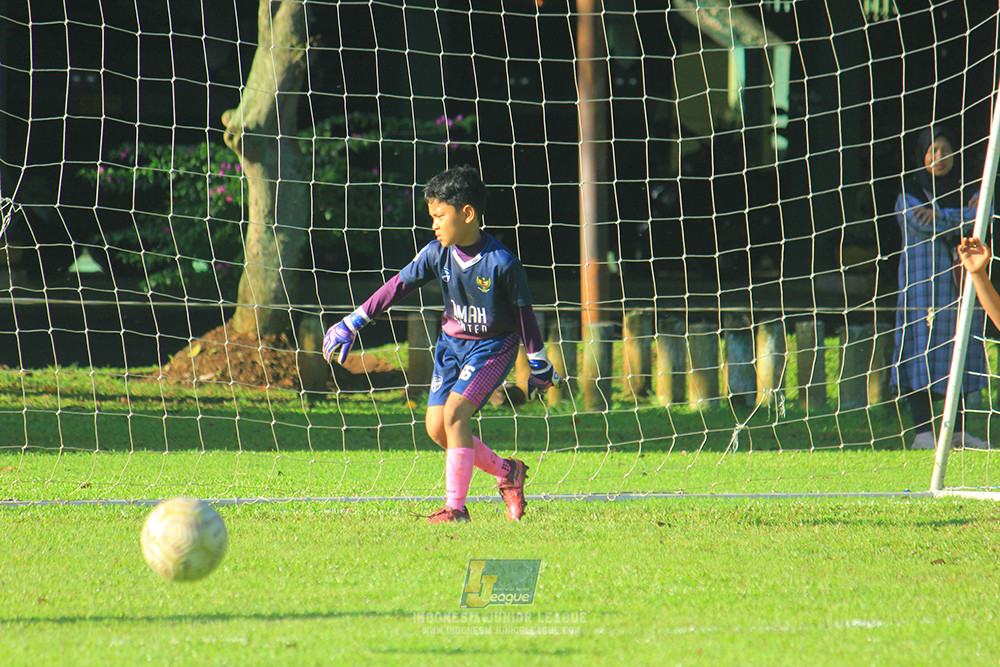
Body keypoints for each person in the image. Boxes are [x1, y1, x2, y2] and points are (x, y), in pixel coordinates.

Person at [322, 165, 560, 522]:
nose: (433, 224)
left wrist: (538, 361)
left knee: (455, 415)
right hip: (451, 346)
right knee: (437, 428)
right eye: (432, 216)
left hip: (492, 348)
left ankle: (456, 508)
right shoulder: (436, 252)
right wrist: (353, 321)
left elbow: (525, 315)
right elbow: (397, 286)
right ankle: (508, 473)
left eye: (439, 215)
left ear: (467, 214)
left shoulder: (503, 264)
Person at [892, 126, 989, 450]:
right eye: (932, 150)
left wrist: (941, 214)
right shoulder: (910, 193)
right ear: (921, 156)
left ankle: (958, 430)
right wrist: (957, 217)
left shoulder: (968, 188)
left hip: (959, 286)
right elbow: (919, 223)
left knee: (958, 350)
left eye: (945, 149)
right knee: (918, 352)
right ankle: (922, 432)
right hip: (922, 290)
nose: (939, 157)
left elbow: (981, 216)